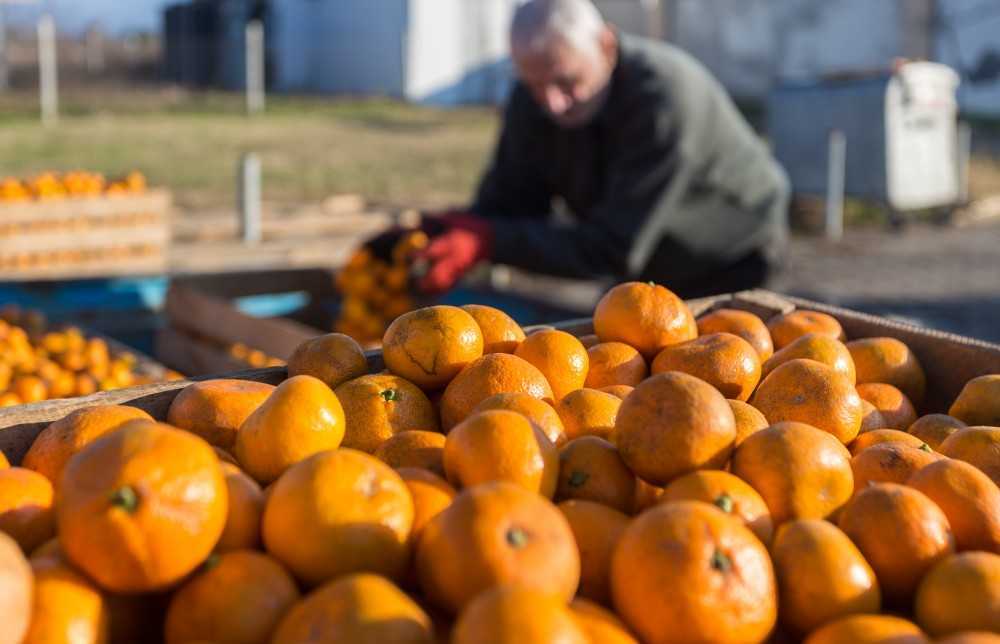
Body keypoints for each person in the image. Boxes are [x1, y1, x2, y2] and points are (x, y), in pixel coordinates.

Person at [379, 0, 790, 299]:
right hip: (642, 257)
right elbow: (511, 202)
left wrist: (489, 241)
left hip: (730, 253)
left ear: (606, 46)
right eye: (534, 85)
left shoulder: (663, 101)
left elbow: (612, 248)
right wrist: (450, 231)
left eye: (567, 81)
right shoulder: (534, 98)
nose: (552, 103)